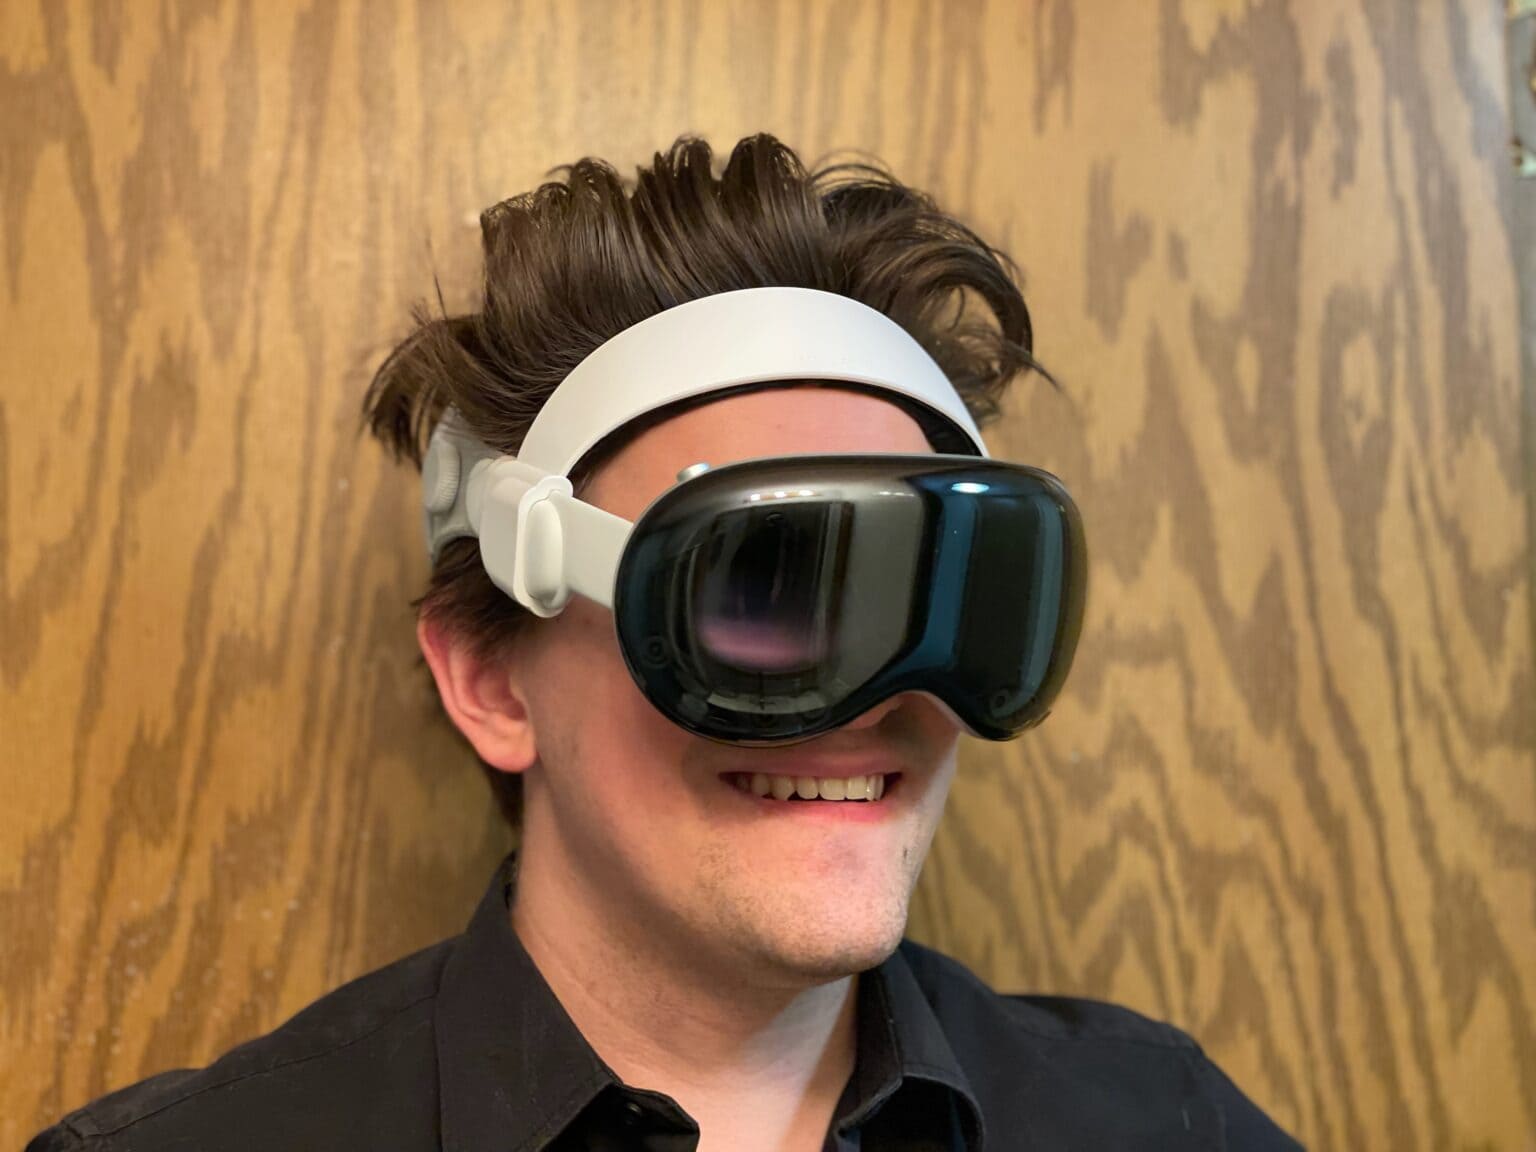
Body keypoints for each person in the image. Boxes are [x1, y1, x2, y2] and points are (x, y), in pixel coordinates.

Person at [27, 134, 1301, 1151]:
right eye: (761, 585)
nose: (876, 701)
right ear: (490, 678)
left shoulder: (1162, 1123)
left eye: (944, 599)